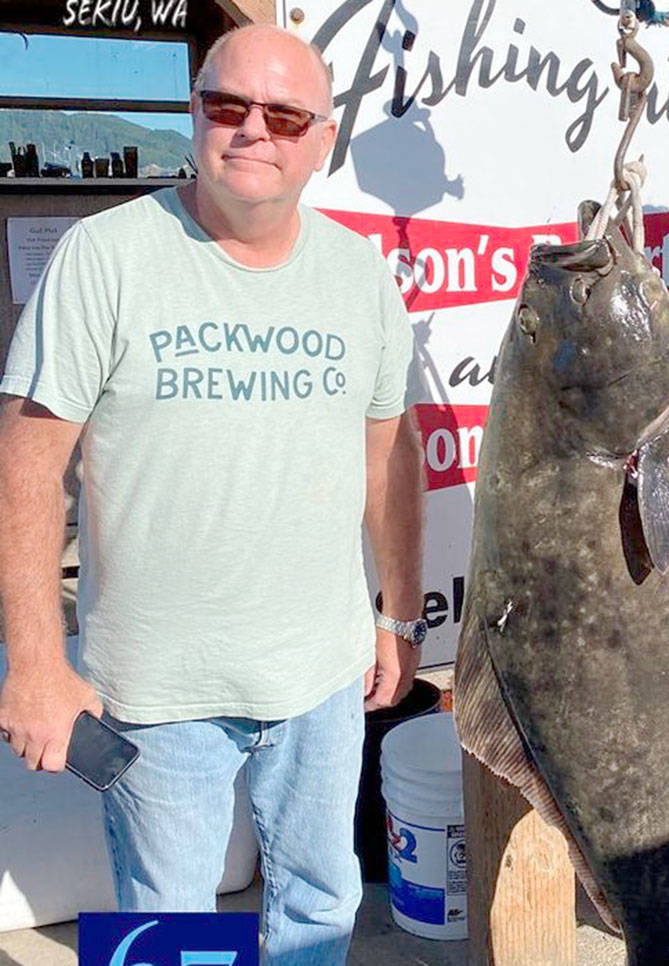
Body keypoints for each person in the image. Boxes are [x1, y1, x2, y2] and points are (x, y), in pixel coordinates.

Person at [0, 25, 427, 964]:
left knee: (321, 907)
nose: (251, 132)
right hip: (156, 689)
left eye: (283, 115)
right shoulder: (103, 256)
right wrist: (34, 664)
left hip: (321, 675)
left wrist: (397, 618)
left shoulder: (360, 276)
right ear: (194, 114)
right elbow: (26, 466)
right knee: (170, 930)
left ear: (324, 139)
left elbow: (388, 459)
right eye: (226, 106)